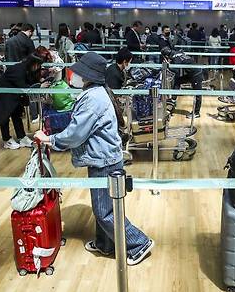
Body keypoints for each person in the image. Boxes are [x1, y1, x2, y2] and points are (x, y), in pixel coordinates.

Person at [34, 53, 154, 265]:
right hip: (103, 157)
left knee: (104, 211)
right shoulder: (96, 93)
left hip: (103, 161)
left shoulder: (93, 99)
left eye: (78, 72)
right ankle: (105, 244)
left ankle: (139, 243)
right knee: (103, 206)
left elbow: (75, 134)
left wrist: (49, 139)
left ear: (87, 75)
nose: (73, 75)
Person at [0, 53, 44, 150]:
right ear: (33, 63)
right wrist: (40, 86)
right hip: (2, 95)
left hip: (13, 95)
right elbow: (23, 86)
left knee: (16, 115)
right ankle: (7, 140)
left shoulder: (25, 69)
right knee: (4, 117)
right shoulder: (18, 70)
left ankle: (22, 137)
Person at [161, 47, 203, 119]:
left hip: (196, 75)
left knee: (198, 95)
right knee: (178, 81)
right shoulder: (177, 53)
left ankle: (196, 113)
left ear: (166, 56)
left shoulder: (175, 59)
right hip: (190, 73)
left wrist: (168, 66)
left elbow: (177, 71)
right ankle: (173, 99)